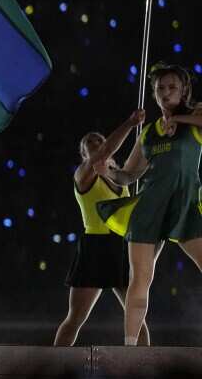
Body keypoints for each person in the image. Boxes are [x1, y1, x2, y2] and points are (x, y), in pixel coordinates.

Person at [98, 63, 202, 346]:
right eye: (160, 89)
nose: (165, 93)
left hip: (185, 206)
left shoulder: (195, 117)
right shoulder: (148, 133)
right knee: (140, 281)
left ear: (184, 91)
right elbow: (128, 175)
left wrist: (180, 120)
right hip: (149, 209)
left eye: (172, 87)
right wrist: (109, 171)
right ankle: (130, 348)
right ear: (154, 95)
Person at [54, 110, 149, 346]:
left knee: (138, 318)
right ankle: (52, 367)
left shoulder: (121, 177)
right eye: (90, 143)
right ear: (84, 154)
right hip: (94, 249)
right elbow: (104, 152)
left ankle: (148, 368)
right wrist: (130, 122)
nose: (98, 144)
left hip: (121, 246)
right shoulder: (82, 175)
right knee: (75, 319)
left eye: (99, 139)